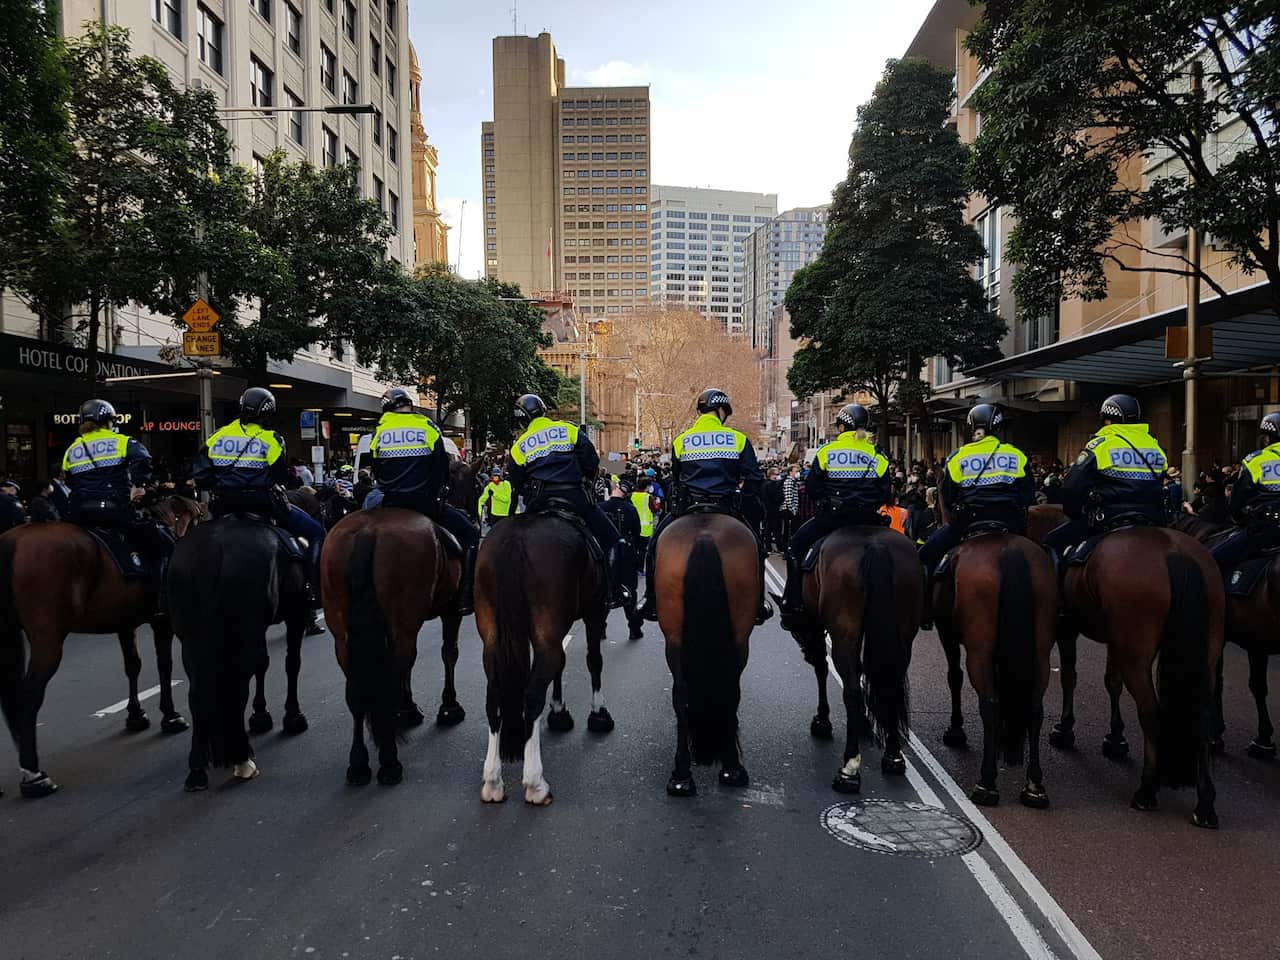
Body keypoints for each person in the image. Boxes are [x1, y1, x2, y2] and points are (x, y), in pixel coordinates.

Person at [638, 387, 772, 624]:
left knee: (653, 547)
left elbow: (676, 480)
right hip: (727, 506)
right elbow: (754, 479)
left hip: (690, 506)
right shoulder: (738, 439)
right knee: (758, 550)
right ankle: (759, 604)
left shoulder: (681, 440)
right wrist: (744, 499)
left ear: (701, 411)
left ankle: (650, 600)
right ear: (721, 410)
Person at [193, 388, 326, 626]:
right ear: (267, 414)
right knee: (316, 532)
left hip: (223, 505)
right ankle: (314, 590)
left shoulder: (216, 437)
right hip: (264, 504)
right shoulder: (271, 439)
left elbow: (202, 477)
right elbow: (281, 477)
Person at [505, 393, 629, 608]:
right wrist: (586, 479)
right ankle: (613, 591)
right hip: (574, 497)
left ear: (522, 419)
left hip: (539, 502)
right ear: (543, 411)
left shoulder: (518, 446)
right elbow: (591, 461)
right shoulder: (568, 430)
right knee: (613, 539)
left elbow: (517, 482)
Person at [917, 404, 1035, 628]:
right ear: (998, 427)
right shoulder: (1016, 454)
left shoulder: (958, 456)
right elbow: (1027, 495)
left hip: (968, 523)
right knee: (1046, 555)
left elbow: (948, 496)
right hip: (1010, 523)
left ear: (971, 428)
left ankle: (925, 613)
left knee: (923, 556)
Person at [777, 403, 891, 628]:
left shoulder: (827, 451)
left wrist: (825, 501)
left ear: (841, 427)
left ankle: (793, 602)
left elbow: (812, 487)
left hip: (833, 518)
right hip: (869, 519)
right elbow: (885, 492)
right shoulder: (877, 454)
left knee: (795, 547)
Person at [369, 387, 480, 613]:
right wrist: (440, 489)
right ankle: (466, 596)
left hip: (390, 503)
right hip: (425, 503)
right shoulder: (427, 426)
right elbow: (440, 466)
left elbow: (376, 469)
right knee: (470, 535)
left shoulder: (379, 432)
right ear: (409, 405)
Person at [61, 399, 173, 592]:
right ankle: (157, 591)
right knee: (159, 541)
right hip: (115, 511)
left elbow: (70, 480)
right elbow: (143, 459)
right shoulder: (122, 441)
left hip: (81, 513)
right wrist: (139, 485)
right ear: (108, 421)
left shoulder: (72, 450)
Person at [1043, 394, 1169, 560]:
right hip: (1153, 518)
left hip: (1107, 518)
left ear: (1108, 420)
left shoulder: (1101, 444)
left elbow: (1072, 487)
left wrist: (1075, 513)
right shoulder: (1154, 446)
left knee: (1051, 542)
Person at [1210, 412, 1280, 573]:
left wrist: (1240, 519)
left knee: (1210, 561)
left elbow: (1236, 502)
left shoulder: (1256, 460)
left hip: (1264, 532)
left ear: (1267, 439)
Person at [601, 477, 644, 636]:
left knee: (602, 591)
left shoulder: (601, 507)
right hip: (626, 553)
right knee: (630, 591)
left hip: (604, 553)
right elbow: (637, 532)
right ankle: (634, 628)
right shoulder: (630, 509)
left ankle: (600, 628)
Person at [630, 474, 656, 561]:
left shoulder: (632, 495)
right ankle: (641, 567)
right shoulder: (648, 497)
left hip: (633, 527)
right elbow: (654, 509)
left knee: (634, 549)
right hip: (645, 529)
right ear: (647, 486)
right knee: (643, 551)